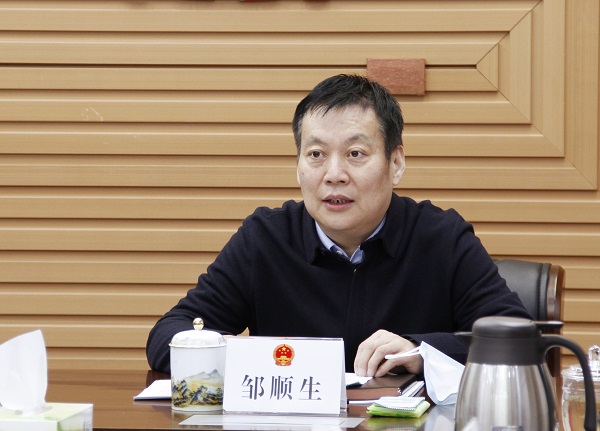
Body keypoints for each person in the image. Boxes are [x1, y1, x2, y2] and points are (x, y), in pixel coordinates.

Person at [146, 74, 531, 376]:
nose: (334, 174)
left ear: (396, 164)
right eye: (316, 154)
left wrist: (421, 351)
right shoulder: (265, 238)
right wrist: (229, 351)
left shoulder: (441, 237)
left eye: (355, 153)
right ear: (298, 165)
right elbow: (168, 335)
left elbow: (521, 338)